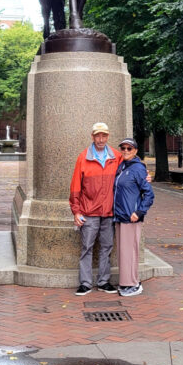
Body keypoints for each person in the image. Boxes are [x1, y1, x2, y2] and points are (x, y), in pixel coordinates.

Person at [69, 122, 123, 296]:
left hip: (109, 212)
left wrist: (144, 175)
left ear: (108, 137)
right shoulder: (83, 157)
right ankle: (85, 283)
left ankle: (103, 282)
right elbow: (76, 186)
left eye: (104, 136)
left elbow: (130, 172)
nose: (101, 139)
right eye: (98, 136)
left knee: (106, 247)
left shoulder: (116, 156)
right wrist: (76, 211)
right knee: (87, 247)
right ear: (92, 137)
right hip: (89, 212)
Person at [113, 137, 154, 297]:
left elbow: (149, 194)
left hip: (131, 217)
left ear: (135, 151)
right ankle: (126, 282)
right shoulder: (122, 166)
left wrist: (138, 212)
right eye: (123, 148)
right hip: (120, 216)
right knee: (123, 252)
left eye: (129, 148)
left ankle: (132, 284)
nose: (125, 151)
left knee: (130, 251)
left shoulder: (138, 168)